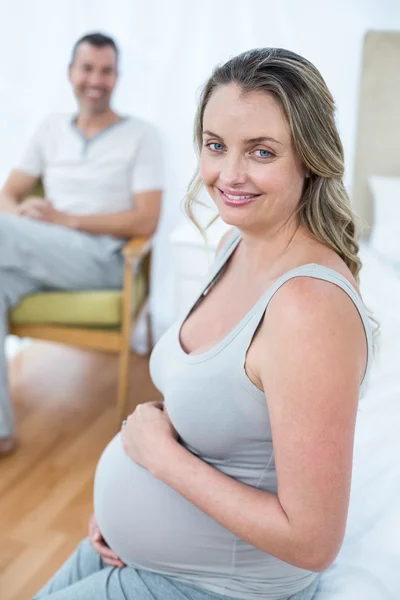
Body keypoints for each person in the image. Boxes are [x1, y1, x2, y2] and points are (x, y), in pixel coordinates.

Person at [32, 48, 372, 600]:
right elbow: (232, 405)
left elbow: (313, 542)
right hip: (138, 551)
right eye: (215, 146)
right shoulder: (233, 243)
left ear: (308, 157)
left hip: (217, 588)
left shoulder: (309, 308)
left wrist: (159, 457)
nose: (228, 175)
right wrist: (131, 495)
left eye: (261, 151)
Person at [0, 33, 163, 456]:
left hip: (104, 260)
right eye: (87, 68)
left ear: (117, 77)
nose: (96, 79)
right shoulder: (50, 128)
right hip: (39, 251)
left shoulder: (141, 136)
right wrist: (25, 215)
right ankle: (1, 431)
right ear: (71, 73)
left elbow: (148, 218)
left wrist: (66, 219)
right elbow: (8, 194)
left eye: (106, 70)